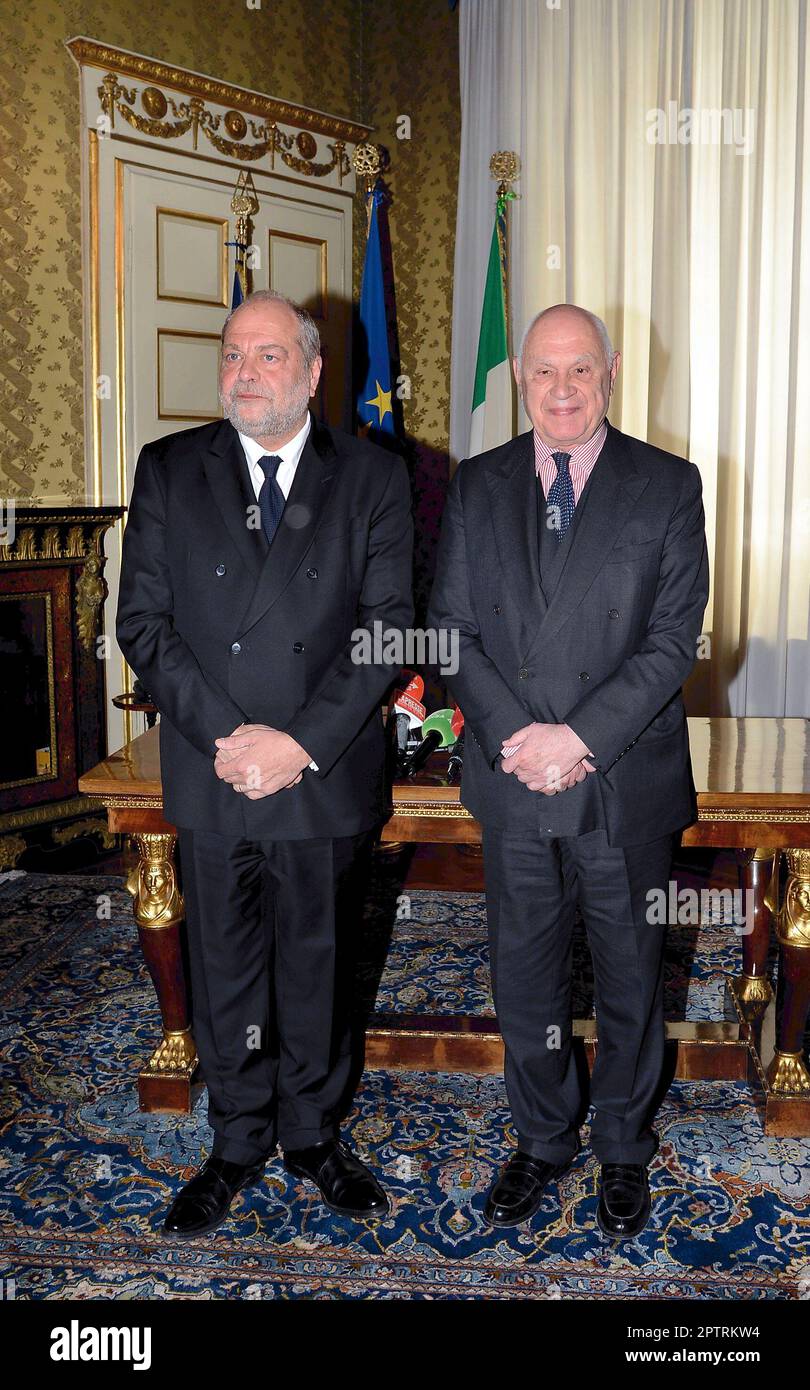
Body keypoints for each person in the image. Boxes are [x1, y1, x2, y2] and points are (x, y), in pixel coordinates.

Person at [117, 289, 414, 1237]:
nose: (245, 373)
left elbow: (388, 627)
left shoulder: (372, 478)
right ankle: (238, 1139)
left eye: (269, 356)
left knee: (319, 962)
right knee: (227, 962)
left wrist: (299, 743)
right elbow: (144, 624)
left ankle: (313, 1135)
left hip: (318, 769)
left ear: (313, 372)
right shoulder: (169, 469)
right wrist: (226, 739)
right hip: (215, 767)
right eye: (233, 354)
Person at [427, 303, 709, 1237]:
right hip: (514, 775)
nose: (560, 390)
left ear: (612, 371)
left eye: (578, 370)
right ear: (520, 380)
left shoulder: (668, 484)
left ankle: (623, 1145)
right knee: (526, 973)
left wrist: (577, 739)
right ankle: (544, 1138)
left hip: (619, 773)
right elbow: (453, 633)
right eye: (543, 372)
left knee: (632, 973)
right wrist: (521, 740)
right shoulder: (476, 485)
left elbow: (673, 643)